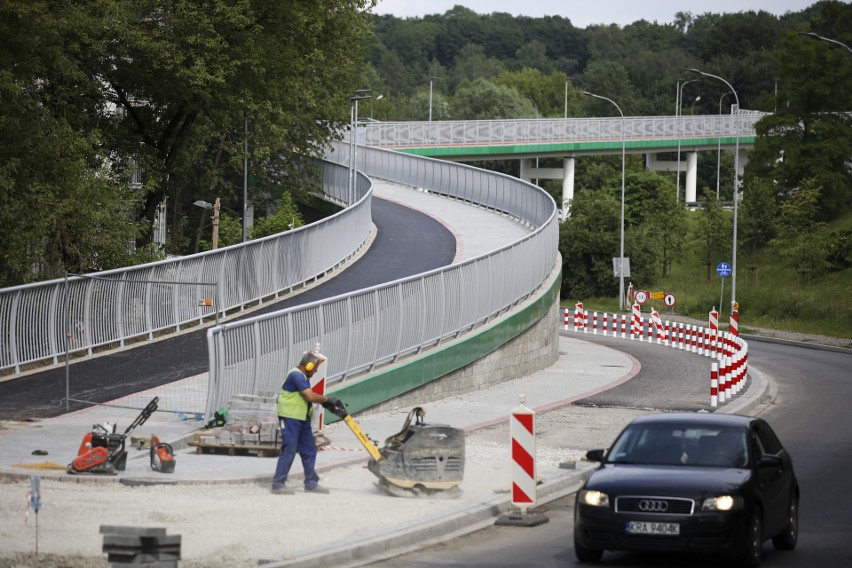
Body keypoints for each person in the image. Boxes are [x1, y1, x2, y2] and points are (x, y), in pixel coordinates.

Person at [271, 351, 339, 495]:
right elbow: (309, 396)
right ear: (308, 366)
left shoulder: (301, 377)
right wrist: (327, 400)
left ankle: (311, 483)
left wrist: (325, 402)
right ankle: (278, 483)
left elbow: (310, 398)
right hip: (290, 418)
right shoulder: (296, 375)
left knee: (309, 450)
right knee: (289, 449)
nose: (315, 372)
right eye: (314, 369)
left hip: (302, 419)